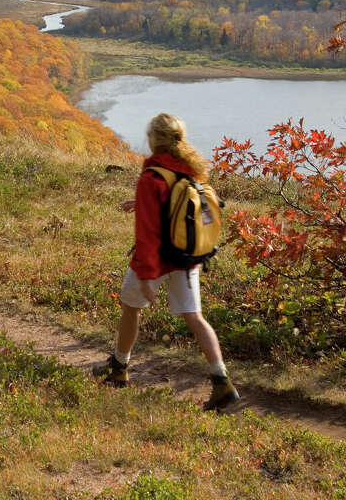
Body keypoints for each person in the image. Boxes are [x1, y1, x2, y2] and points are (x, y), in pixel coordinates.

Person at [93, 112, 241, 412]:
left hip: (157, 260)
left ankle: (119, 369)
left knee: (130, 307)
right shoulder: (190, 170)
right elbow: (180, 205)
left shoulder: (151, 177)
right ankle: (222, 381)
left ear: (153, 140)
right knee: (195, 318)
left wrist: (147, 275)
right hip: (187, 260)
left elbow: (148, 232)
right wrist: (141, 203)